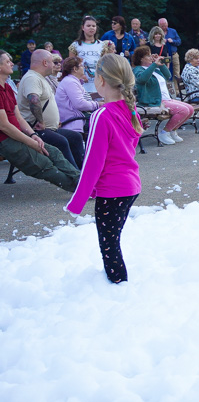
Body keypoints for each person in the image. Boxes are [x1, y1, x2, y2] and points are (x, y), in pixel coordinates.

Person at [66, 54, 143, 284]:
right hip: (130, 186)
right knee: (113, 240)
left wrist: (78, 200)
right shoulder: (131, 110)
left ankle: (118, 286)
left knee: (109, 245)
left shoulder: (102, 115)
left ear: (100, 80)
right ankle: (117, 283)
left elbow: (92, 162)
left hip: (112, 191)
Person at [0, 50, 79, 191]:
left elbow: (18, 117)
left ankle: (83, 181)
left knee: (54, 152)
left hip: (21, 133)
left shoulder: (7, 87)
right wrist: (30, 141)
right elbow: (4, 126)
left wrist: (33, 136)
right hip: (6, 139)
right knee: (43, 165)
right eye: (7, 61)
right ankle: (82, 190)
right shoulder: (28, 79)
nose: (12, 63)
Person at [17, 49, 86, 168]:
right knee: (61, 141)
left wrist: (54, 121)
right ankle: (74, 178)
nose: (55, 65)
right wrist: (41, 121)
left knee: (75, 137)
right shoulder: (32, 78)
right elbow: (33, 100)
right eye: (52, 62)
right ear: (45, 63)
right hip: (35, 130)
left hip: (49, 128)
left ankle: (84, 172)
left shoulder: (40, 77)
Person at [132, 46, 195, 145]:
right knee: (183, 110)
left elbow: (168, 75)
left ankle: (172, 130)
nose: (151, 57)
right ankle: (164, 132)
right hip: (154, 100)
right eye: (148, 56)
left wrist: (160, 65)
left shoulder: (153, 68)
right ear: (141, 58)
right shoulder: (138, 70)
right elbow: (142, 79)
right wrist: (153, 65)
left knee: (190, 109)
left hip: (166, 99)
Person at [55, 56, 100, 134]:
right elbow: (80, 104)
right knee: (104, 124)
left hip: (76, 120)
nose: (83, 68)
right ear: (75, 69)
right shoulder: (70, 82)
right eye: (81, 66)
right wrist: (98, 104)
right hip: (72, 123)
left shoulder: (72, 81)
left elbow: (85, 99)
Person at [68, 15, 103, 95]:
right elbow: (70, 65)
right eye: (88, 26)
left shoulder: (102, 45)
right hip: (82, 84)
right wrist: (81, 76)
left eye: (93, 26)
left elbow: (106, 64)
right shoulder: (75, 45)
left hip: (99, 84)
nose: (91, 28)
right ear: (83, 28)